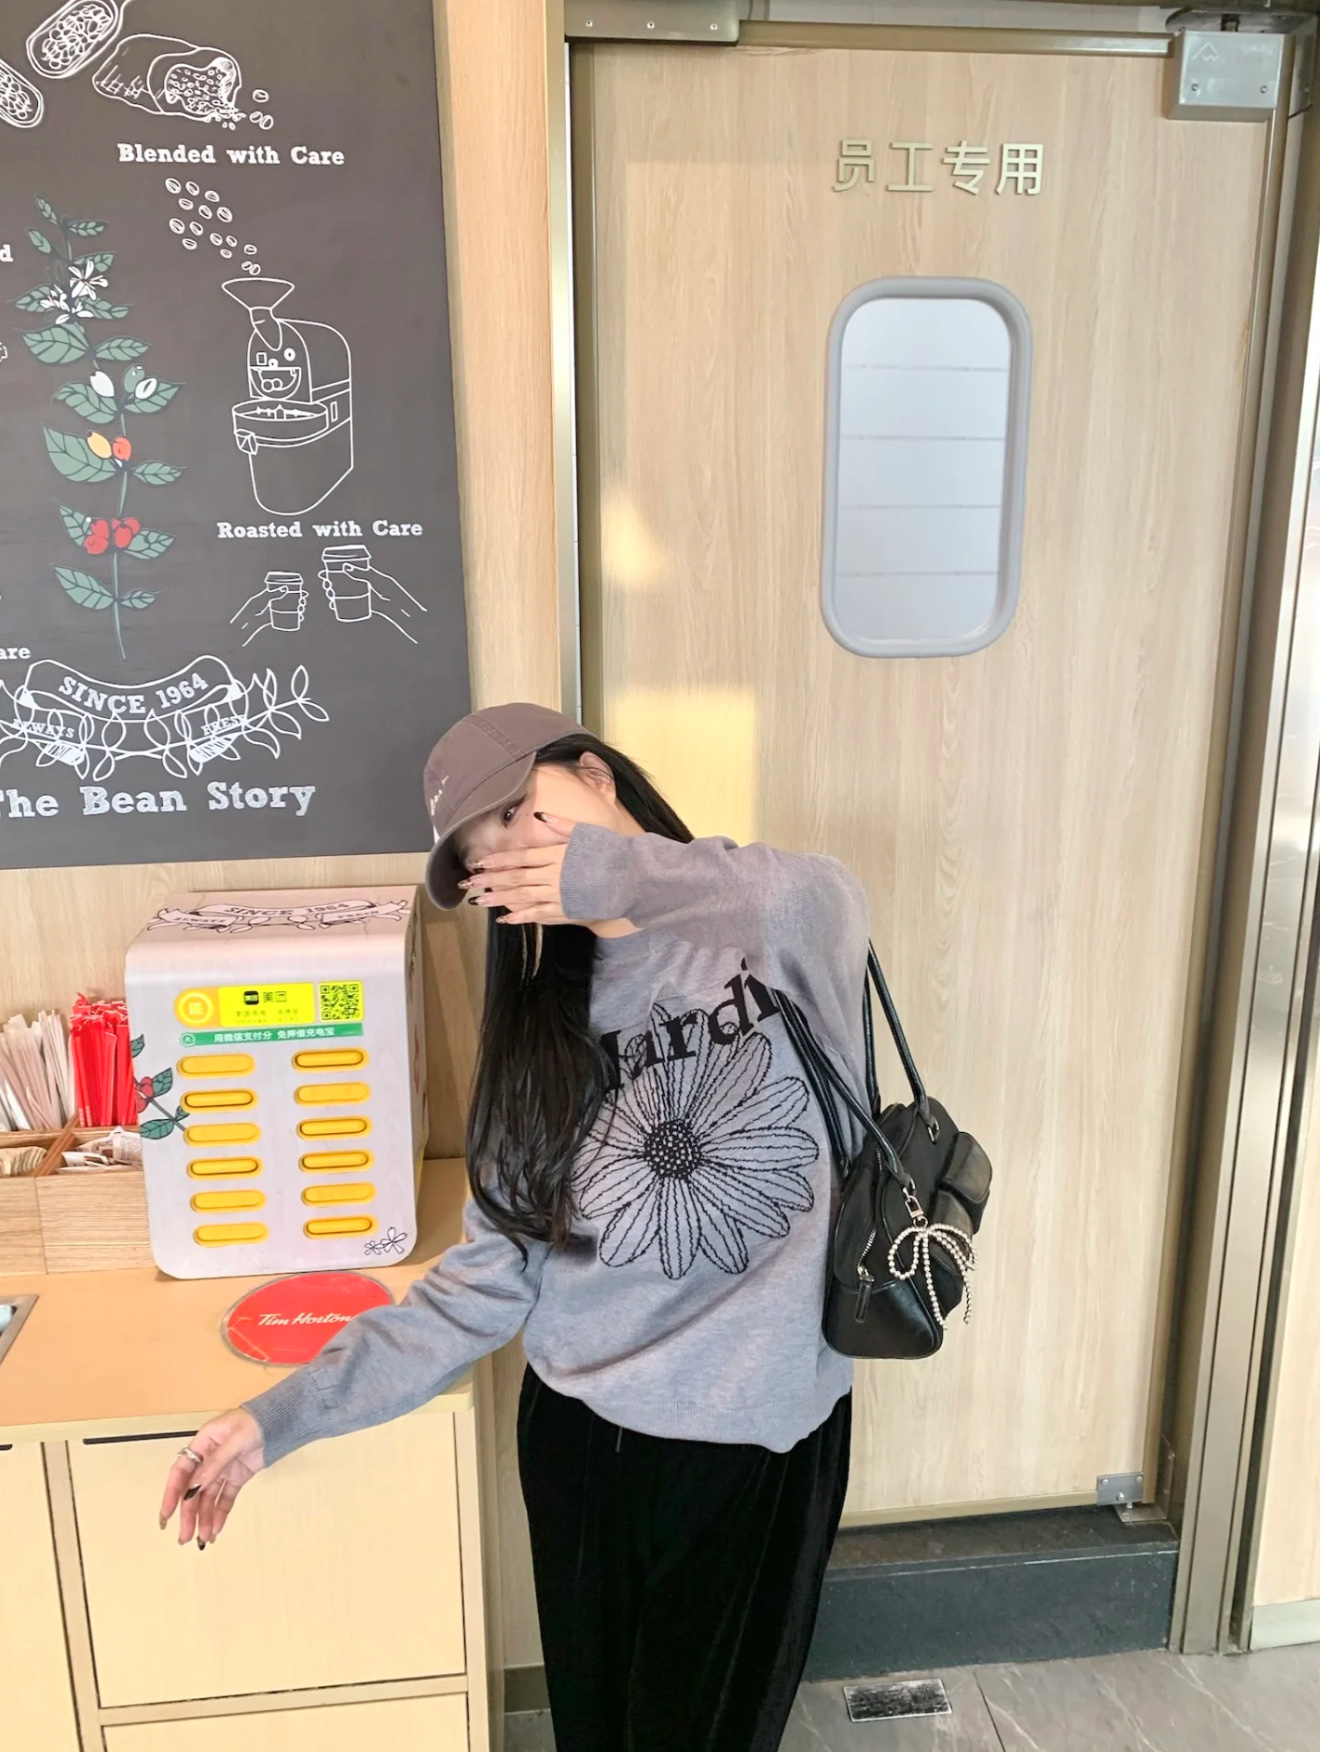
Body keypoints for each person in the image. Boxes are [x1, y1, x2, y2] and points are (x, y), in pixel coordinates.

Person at [159, 701, 871, 1752]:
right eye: (482, 856)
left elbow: (824, 891)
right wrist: (284, 1417)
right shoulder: (537, 1034)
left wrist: (617, 873)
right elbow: (486, 1282)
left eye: (522, 813)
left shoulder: (769, 929)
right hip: (586, 1447)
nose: (512, 857)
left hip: (757, 1446)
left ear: (596, 774)